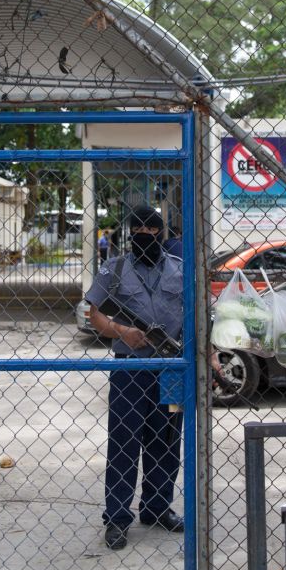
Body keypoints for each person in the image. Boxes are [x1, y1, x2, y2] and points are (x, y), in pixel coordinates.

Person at [85, 205, 184, 550]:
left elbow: (197, 315)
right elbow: (94, 315)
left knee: (167, 440)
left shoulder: (180, 271)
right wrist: (122, 331)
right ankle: (117, 517)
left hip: (171, 368)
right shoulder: (115, 269)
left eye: (153, 230)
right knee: (124, 442)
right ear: (130, 233)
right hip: (129, 369)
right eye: (139, 229)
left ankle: (157, 507)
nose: (147, 234)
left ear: (163, 233)